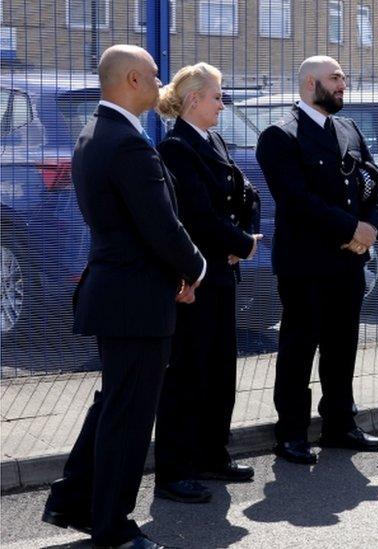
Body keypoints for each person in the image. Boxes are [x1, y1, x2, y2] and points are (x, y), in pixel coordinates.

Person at [41, 45, 206, 548]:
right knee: (129, 417)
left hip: (118, 294)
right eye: (156, 76)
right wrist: (195, 268)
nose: (162, 85)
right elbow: (161, 225)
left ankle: (72, 500)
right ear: (133, 79)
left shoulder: (94, 133)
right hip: (135, 301)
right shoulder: (127, 143)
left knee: (113, 405)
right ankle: (111, 526)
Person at [256, 56, 378, 464]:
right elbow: (297, 200)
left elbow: (376, 184)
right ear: (310, 82)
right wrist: (352, 229)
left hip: (349, 262)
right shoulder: (281, 136)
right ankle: (291, 433)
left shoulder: (348, 128)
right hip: (306, 264)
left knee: (342, 345)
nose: (342, 84)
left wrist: (370, 228)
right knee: (299, 348)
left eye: (344, 78)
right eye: (335, 78)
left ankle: (339, 425)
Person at [152, 62, 262, 503]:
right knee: (187, 371)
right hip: (195, 274)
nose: (222, 103)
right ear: (194, 100)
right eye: (217, 96)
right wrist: (241, 244)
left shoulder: (211, 139)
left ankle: (213, 453)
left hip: (222, 269)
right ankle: (176, 469)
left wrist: (244, 241)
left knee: (220, 367)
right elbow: (196, 214)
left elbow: (247, 193)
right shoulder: (177, 148)